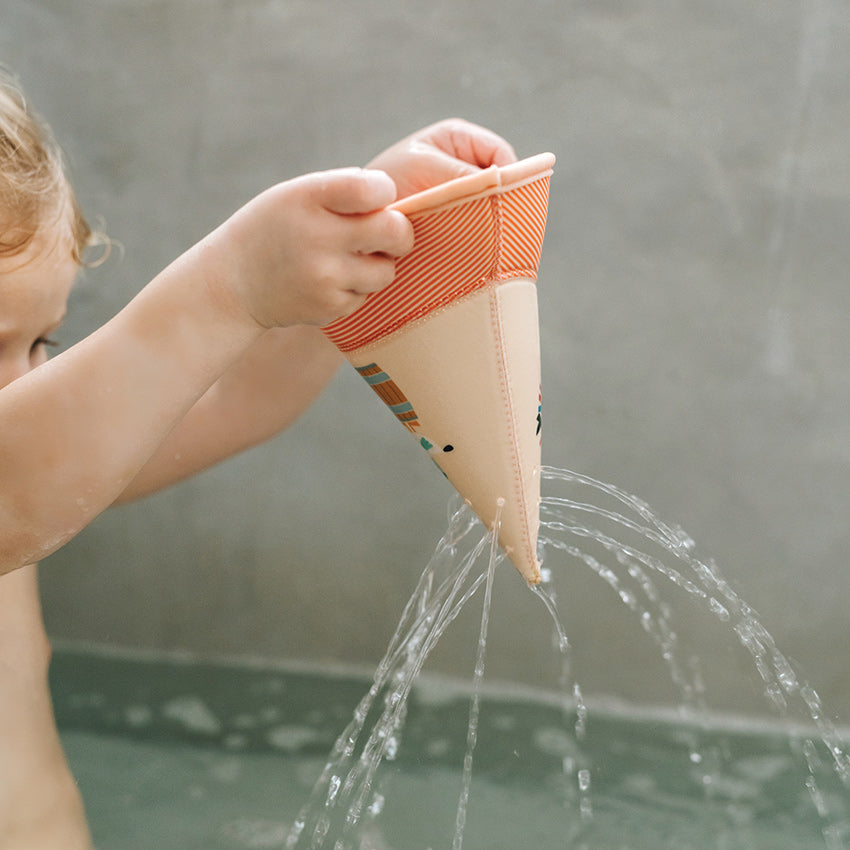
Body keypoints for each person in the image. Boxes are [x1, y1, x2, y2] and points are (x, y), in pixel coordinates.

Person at [0, 68, 517, 848]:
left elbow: (229, 404)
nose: (29, 382)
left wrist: (366, 241)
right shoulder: (19, 492)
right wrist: (229, 284)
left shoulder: (47, 476)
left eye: (43, 343)